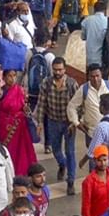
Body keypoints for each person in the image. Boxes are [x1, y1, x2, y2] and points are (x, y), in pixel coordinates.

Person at [38, 57, 80, 194]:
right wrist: (39, 122)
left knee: (70, 151)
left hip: (69, 123)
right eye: (55, 70)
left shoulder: (72, 84)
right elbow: (42, 103)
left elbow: (79, 105)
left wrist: (75, 122)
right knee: (56, 150)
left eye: (60, 69)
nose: (57, 72)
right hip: (53, 121)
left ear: (65, 69)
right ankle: (62, 164)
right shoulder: (46, 83)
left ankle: (71, 181)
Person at [0, 69, 38, 174]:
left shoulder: (20, 90)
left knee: (22, 149)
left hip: (20, 124)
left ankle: (22, 171)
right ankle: (9, 172)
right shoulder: (2, 91)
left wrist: (25, 108)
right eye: (9, 76)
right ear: (4, 78)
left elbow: (23, 106)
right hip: (5, 125)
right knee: (9, 150)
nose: (12, 78)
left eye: (14, 75)